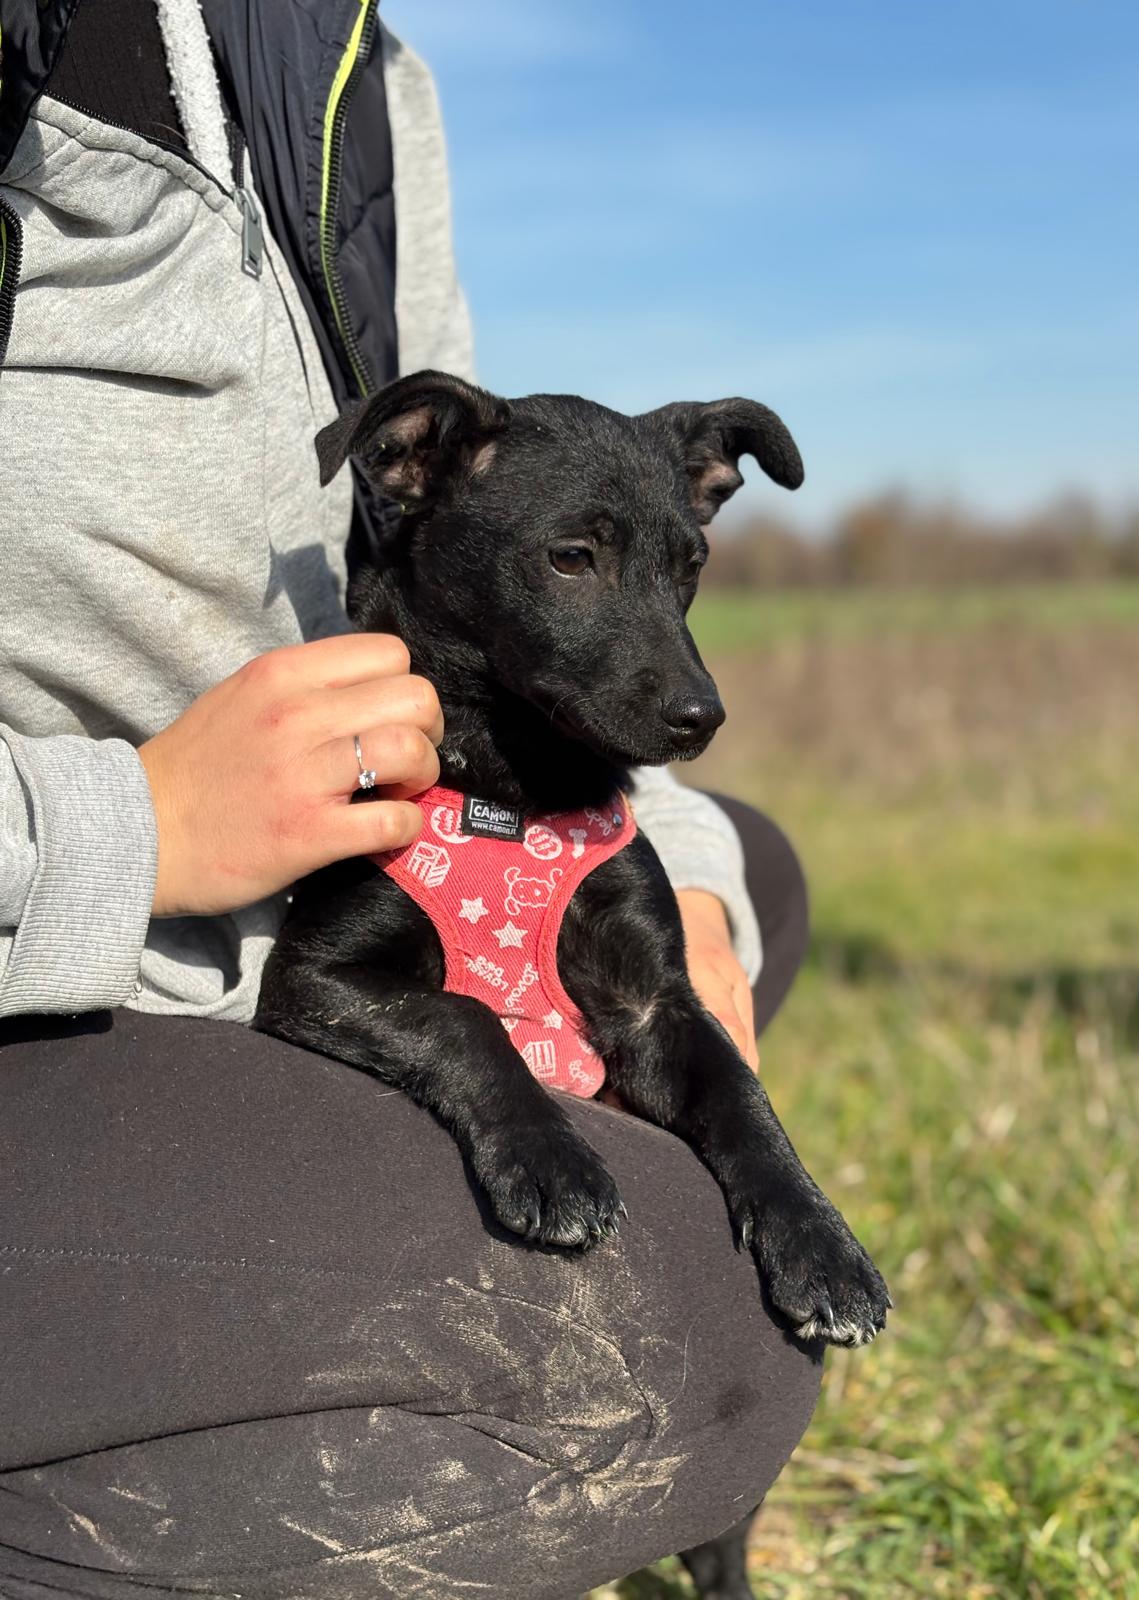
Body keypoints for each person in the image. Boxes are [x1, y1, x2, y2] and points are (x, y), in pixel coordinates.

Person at [0, 3, 820, 1595]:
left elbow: (493, 505)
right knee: (688, 1342)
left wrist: (670, 862)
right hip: (85, 968)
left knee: (748, 876)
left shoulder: (354, 55)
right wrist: (132, 828)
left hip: (348, 840)